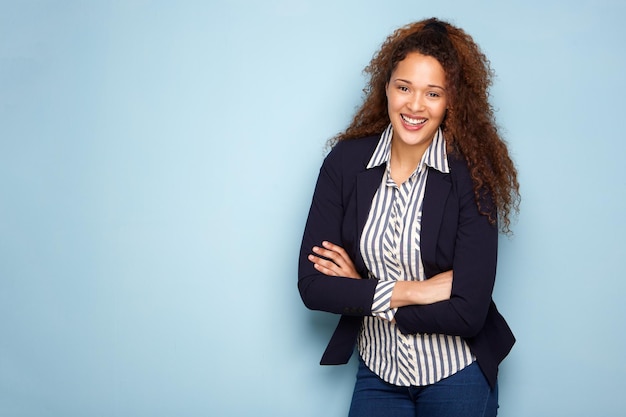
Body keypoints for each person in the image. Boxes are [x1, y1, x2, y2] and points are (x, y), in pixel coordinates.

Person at [297, 17, 520, 417]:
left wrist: (363, 293)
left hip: (458, 375)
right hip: (378, 373)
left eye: (433, 93)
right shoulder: (345, 164)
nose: (415, 106)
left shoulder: (472, 175)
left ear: (451, 101)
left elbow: (469, 313)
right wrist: (416, 290)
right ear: (386, 88)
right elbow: (313, 287)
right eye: (404, 88)